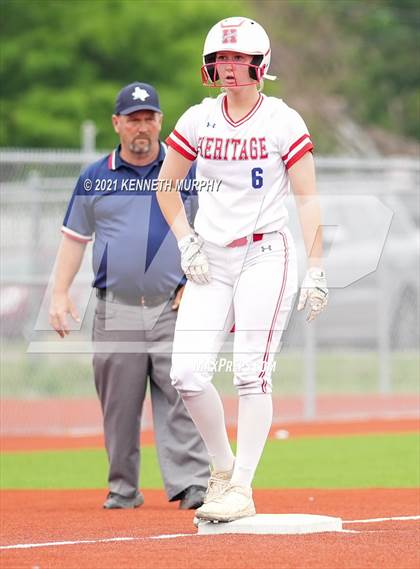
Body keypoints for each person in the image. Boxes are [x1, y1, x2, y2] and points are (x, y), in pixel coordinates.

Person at [156, 18, 328, 523]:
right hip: (210, 257)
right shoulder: (197, 119)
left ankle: (244, 486)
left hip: (265, 253)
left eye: (237, 58)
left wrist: (317, 267)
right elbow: (166, 186)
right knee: (186, 374)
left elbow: (308, 197)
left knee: (251, 372)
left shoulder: (282, 120)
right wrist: (186, 243)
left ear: (261, 64)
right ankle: (223, 469)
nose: (227, 67)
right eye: (220, 58)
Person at [49, 82, 209, 510]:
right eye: (133, 119)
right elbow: (74, 239)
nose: (143, 127)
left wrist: (197, 284)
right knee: (118, 406)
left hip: (173, 305)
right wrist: (60, 293)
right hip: (115, 308)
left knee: (183, 395)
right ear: (117, 124)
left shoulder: (184, 172)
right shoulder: (95, 176)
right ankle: (123, 487)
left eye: (150, 117)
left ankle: (193, 482)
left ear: (160, 121)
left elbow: (210, 231)